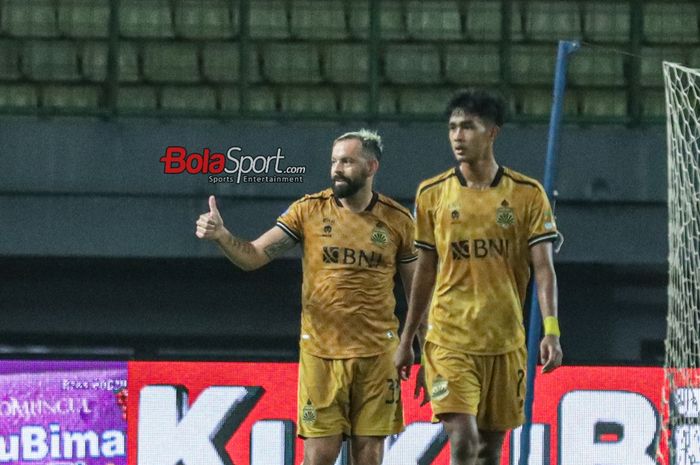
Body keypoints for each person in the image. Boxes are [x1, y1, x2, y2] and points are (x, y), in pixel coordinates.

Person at [196, 129, 417, 465]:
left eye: (347, 161)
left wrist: (418, 343)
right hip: (321, 353)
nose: (336, 169)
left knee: (370, 457)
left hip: (377, 355)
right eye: (334, 161)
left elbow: (418, 289)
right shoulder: (308, 212)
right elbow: (254, 255)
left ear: (371, 167)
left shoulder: (398, 220)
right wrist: (223, 236)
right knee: (318, 457)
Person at [394, 89, 563, 465]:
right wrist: (408, 339)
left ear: (492, 133)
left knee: (489, 450)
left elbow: (543, 269)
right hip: (450, 339)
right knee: (464, 442)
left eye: (468, 127)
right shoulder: (432, 193)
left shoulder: (527, 194)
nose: (457, 136)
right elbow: (423, 272)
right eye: (453, 127)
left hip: (504, 341)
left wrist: (551, 329)